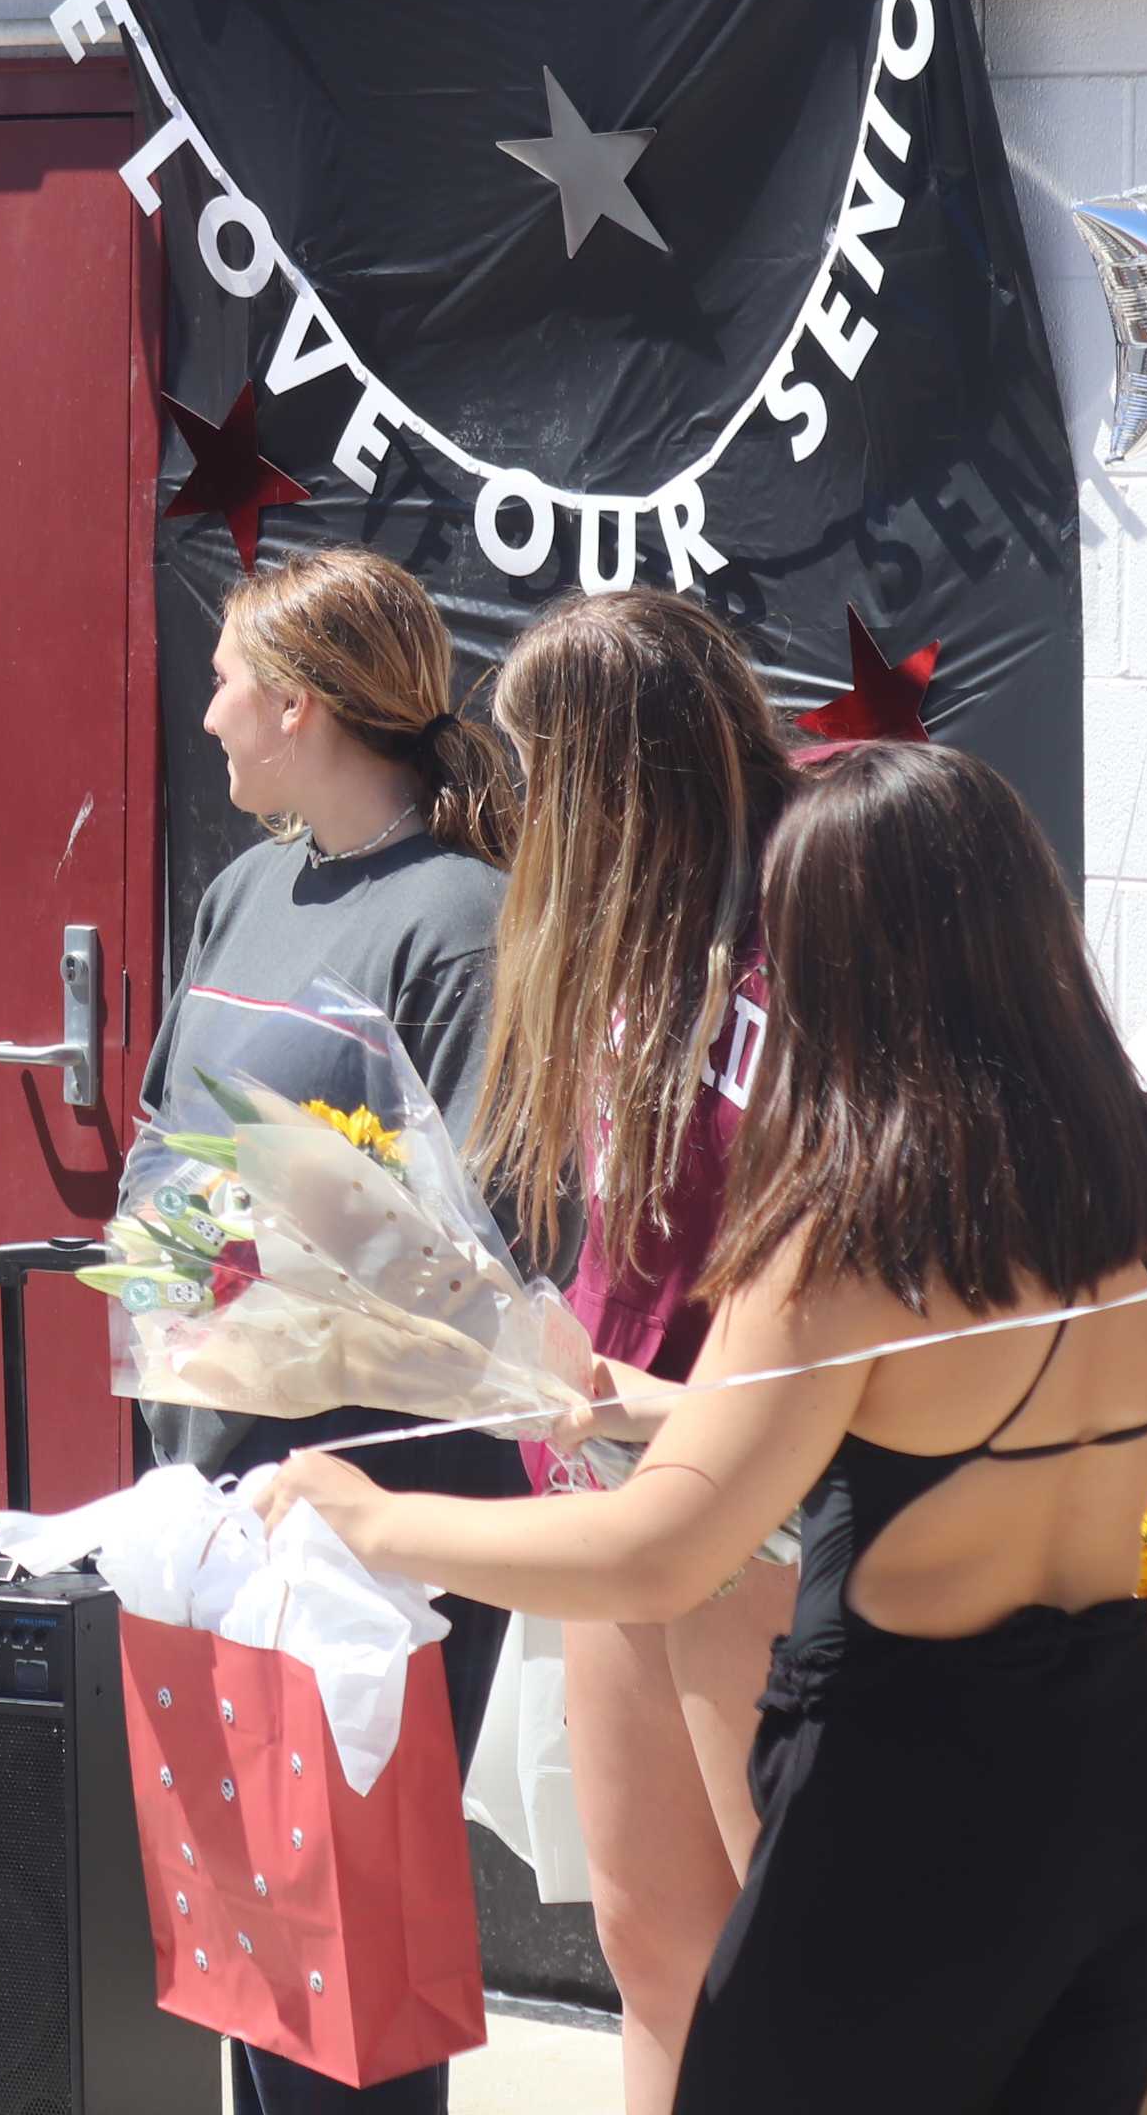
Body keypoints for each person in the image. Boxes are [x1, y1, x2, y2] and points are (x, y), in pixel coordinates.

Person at [261, 742, 1147, 2115]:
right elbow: (928, 1417)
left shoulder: (852, 1224)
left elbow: (660, 1556)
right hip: (1122, 1789)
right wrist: (650, 1406)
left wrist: (373, 1519)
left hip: (913, 1818)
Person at [140, 546, 526, 2115]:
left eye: (227, 679)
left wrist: (287, 1237)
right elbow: (179, 1156)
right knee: (249, 1942)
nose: (209, 711)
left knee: (348, 1969)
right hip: (219, 1474)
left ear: (298, 703)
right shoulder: (246, 887)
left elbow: (494, 1248)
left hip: (385, 1499)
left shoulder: (462, 923)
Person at [472, 590, 800, 2110]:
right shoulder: (623, 949)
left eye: (541, 769)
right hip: (607, 1471)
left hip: (756, 1492)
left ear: (617, 772)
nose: (521, 806)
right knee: (646, 1932)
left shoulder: (798, 942)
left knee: (794, 1952)